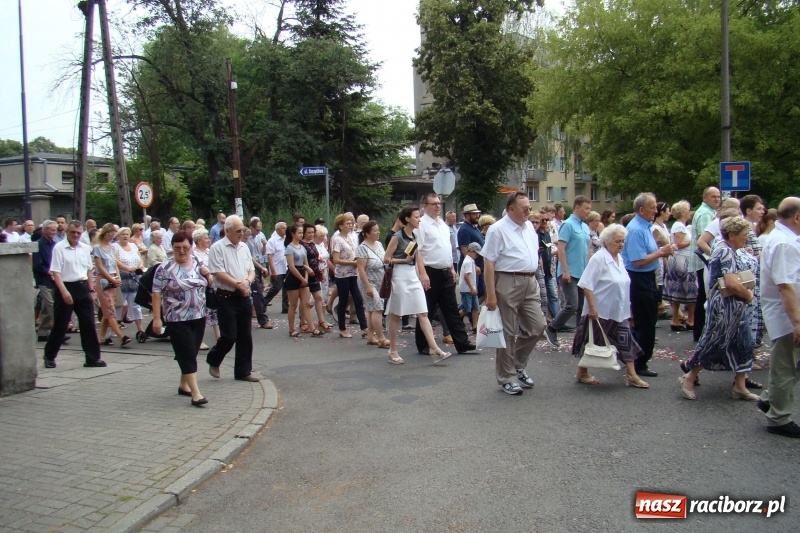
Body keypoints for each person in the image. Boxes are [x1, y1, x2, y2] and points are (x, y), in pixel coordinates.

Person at [679, 216, 760, 401]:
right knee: (715, 342)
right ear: (732, 235)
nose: (746, 238)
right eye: (744, 234)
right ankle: (689, 377)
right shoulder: (724, 251)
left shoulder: (730, 249)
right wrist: (748, 295)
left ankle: (740, 386)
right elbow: (731, 282)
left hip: (735, 306)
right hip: (725, 306)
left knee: (745, 343)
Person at [482, 192, 547, 395]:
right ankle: (506, 377)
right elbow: (489, 262)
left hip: (529, 280)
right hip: (508, 280)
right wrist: (491, 294)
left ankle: (517, 364)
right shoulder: (497, 229)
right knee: (508, 332)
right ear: (511, 209)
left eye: (529, 207)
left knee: (538, 326)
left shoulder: (528, 227)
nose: (529, 211)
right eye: (524, 208)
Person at [570, 224, 649, 388]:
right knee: (594, 342)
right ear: (607, 241)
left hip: (619, 311)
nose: (621, 244)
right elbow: (587, 284)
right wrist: (592, 308)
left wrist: (629, 309)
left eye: (623, 241)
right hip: (601, 310)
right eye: (617, 241)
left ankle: (631, 374)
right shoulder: (599, 258)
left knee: (625, 340)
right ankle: (582, 371)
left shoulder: (619, 258)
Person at [151, 231, 213, 407]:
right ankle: (196, 393)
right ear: (172, 248)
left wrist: (208, 275)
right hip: (176, 317)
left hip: (199, 314)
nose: (182, 251)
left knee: (191, 351)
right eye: (177, 248)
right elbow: (156, 293)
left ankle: (184, 385)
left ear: (191, 247)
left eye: (185, 247)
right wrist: (157, 318)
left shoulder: (198, 262)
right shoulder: (164, 268)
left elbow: (210, 283)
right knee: (186, 353)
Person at [384, 206, 451, 365]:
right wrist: (403, 261)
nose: (419, 219)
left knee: (423, 312)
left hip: (412, 276)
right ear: (407, 219)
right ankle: (392, 350)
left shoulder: (414, 236)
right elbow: (386, 259)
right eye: (416, 217)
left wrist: (421, 273)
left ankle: (434, 348)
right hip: (399, 275)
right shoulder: (397, 237)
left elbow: (418, 256)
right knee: (396, 314)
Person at [757, 197, 800, 437]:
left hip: (786, 314)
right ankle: (778, 418)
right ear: (797, 217)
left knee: (789, 365)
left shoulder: (783, 238)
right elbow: (786, 286)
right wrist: (797, 323)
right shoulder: (784, 243)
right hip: (786, 317)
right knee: (785, 368)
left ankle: (769, 398)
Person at [622, 193, 675, 378]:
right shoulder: (636, 229)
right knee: (645, 322)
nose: (656, 210)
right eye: (652, 207)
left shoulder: (646, 227)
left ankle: (636, 358)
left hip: (647, 277)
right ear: (641, 209)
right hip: (639, 278)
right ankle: (638, 361)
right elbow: (637, 261)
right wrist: (661, 252)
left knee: (648, 320)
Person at [415, 193, 475, 355]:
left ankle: (462, 343)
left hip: (445, 271)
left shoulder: (442, 224)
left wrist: (451, 268)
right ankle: (423, 343)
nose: (437, 206)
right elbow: (417, 251)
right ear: (425, 206)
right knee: (426, 308)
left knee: (451, 309)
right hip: (430, 271)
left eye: (438, 203)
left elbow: (446, 249)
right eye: (433, 204)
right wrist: (422, 273)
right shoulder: (421, 225)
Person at [43, 220, 106, 368]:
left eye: (78, 233)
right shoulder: (59, 248)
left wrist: (91, 290)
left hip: (82, 286)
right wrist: (64, 292)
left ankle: (92, 358)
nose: (75, 235)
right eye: (72, 232)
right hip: (66, 286)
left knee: (88, 324)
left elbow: (89, 270)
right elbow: (56, 272)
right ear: (66, 232)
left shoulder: (85, 248)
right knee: (61, 324)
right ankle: (49, 356)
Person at [205, 215, 259, 382]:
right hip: (226, 296)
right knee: (229, 336)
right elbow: (218, 273)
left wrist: (247, 282)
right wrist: (238, 284)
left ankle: (243, 371)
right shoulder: (217, 248)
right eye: (238, 230)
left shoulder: (244, 247)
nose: (241, 233)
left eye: (242, 229)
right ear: (227, 231)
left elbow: (251, 269)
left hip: (243, 296)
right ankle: (214, 359)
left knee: (245, 336)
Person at [544, 196, 592, 347]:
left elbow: (587, 249)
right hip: (569, 271)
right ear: (577, 207)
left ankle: (581, 338)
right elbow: (561, 249)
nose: (588, 212)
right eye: (586, 208)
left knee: (582, 308)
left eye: (589, 209)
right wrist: (565, 270)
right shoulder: (568, 225)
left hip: (582, 271)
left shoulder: (584, 227)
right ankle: (552, 328)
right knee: (572, 304)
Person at [689, 186, 722, 341]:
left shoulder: (710, 213)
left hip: (707, 260)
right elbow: (705, 241)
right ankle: (700, 331)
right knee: (704, 297)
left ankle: (701, 331)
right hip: (705, 261)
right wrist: (715, 257)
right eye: (713, 196)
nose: (716, 199)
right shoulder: (705, 214)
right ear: (704, 198)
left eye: (718, 196)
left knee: (704, 296)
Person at [93, 224, 131, 346]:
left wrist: (117, 278)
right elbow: (99, 266)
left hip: (113, 278)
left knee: (107, 310)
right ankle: (121, 337)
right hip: (103, 280)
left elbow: (114, 264)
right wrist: (110, 278)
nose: (112, 236)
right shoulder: (97, 248)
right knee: (110, 310)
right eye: (111, 233)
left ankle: (101, 337)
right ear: (105, 233)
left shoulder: (112, 248)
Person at [331, 213, 368, 338]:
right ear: (340, 226)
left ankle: (364, 327)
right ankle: (342, 328)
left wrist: (358, 261)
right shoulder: (337, 239)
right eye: (347, 223)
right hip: (342, 274)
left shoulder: (351, 237)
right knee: (343, 300)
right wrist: (352, 262)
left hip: (353, 272)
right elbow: (336, 260)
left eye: (351, 223)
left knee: (358, 298)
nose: (350, 225)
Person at [284, 224, 324, 337]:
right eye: (299, 233)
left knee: (306, 303)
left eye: (302, 233)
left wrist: (305, 278)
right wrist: (302, 278)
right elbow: (291, 266)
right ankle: (292, 329)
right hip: (293, 276)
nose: (301, 235)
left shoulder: (302, 247)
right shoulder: (289, 248)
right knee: (293, 304)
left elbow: (306, 264)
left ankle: (312, 328)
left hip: (303, 274)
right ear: (293, 234)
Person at [663, 201, 696, 330]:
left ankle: (677, 319)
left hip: (680, 259)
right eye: (688, 209)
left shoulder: (680, 225)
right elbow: (677, 244)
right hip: (682, 260)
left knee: (678, 290)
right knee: (689, 289)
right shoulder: (679, 227)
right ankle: (688, 319)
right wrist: (692, 241)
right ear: (683, 212)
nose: (690, 212)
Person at [356, 220, 389, 347]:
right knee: (377, 307)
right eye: (375, 230)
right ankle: (381, 338)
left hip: (380, 279)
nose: (378, 232)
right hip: (367, 281)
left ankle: (370, 336)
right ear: (367, 234)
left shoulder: (379, 244)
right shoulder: (362, 248)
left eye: (378, 230)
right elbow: (361, 269)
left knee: (371, 309)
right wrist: (368, 287)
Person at [192, 228, 220, 350]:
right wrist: (207, 273)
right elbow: (199, 267)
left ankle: (219, 336)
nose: (208, 239)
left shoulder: (210, 251)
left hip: (213, 285)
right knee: (201, 313)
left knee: (215, 310)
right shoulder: (194, 254)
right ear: (199, 241)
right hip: (200, 287)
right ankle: (199, 340)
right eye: (206, 238)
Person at [114, 227, 145, 340]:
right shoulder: (115, 247)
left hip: (134, 278)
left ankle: (140, 329)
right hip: (122, 279)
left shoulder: (133, 246)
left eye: (127, 234)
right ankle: (116, 326)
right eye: (123, 234)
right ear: (118, 236)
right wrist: (128, 268)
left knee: (135, 305)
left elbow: (140, 258)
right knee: (121, 305)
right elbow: (116, 261)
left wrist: (140, 266)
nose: (126, 236)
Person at [301, 224, 332, 332]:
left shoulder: (314, 244)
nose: (311, 235)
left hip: (317, 273)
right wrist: (307, 269)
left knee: (319, 297)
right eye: (308, 233)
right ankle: (303, 322)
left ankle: (321, 321)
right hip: (306, 274)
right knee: (307, 301)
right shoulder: (302, 245)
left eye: (312, 232)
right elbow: (301, 261)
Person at [33, 220, 59, 342]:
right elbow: (37, 265)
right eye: (51, 230)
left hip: (54, 278)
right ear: (44, 230)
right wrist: (49, 272)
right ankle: (59, 331)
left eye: (55, 230)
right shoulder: (39, 244)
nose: (53, 232)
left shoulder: (54, 244)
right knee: (51, 305)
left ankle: (42, 332)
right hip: (44, 279)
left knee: (45, 308)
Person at [247, 217, 273, 330]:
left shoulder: (259, 237)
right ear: (251, 227)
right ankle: (263, 319)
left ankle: (257, 313)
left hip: (258, 265)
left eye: (260, 230)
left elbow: (262, 253)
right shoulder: (246, 239)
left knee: (259, 290)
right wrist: (261, 267)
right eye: (257, 230)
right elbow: (249, 258)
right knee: (257, 292)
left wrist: (264, 245)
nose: (259, 232)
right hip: (252, 266)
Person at [536, 210, 561, 320]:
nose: (545, 221)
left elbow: (548, 248)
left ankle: (558, 320)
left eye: (547, 219)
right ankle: (544, 319)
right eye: (543, 220)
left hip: (548, 269)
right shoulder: (535, 234)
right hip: (540, 269)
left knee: (553, 295)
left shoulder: (546, 233)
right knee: (542, 296)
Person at [265, 221, 289, 314]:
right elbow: (269, 257)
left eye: (286, 228)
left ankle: (285, 306)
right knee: (276, 287)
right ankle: (264, 302)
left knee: (286, 287)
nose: (285, 229)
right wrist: (273, 270)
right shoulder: (272, 241)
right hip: (277, 267)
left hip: (286, 267)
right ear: (278, 229)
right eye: (283, 228)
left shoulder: (286, 239)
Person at [458, 242, 481, 330]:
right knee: (466, 308)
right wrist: (472, 288)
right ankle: (456, 321)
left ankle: (475, 326)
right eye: (476, 253)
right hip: (467, 289)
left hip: (471, 287)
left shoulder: (471, 261)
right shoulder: (468, 261)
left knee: (475, 307)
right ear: (471, 251)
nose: (477, 256)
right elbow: (466, 276)